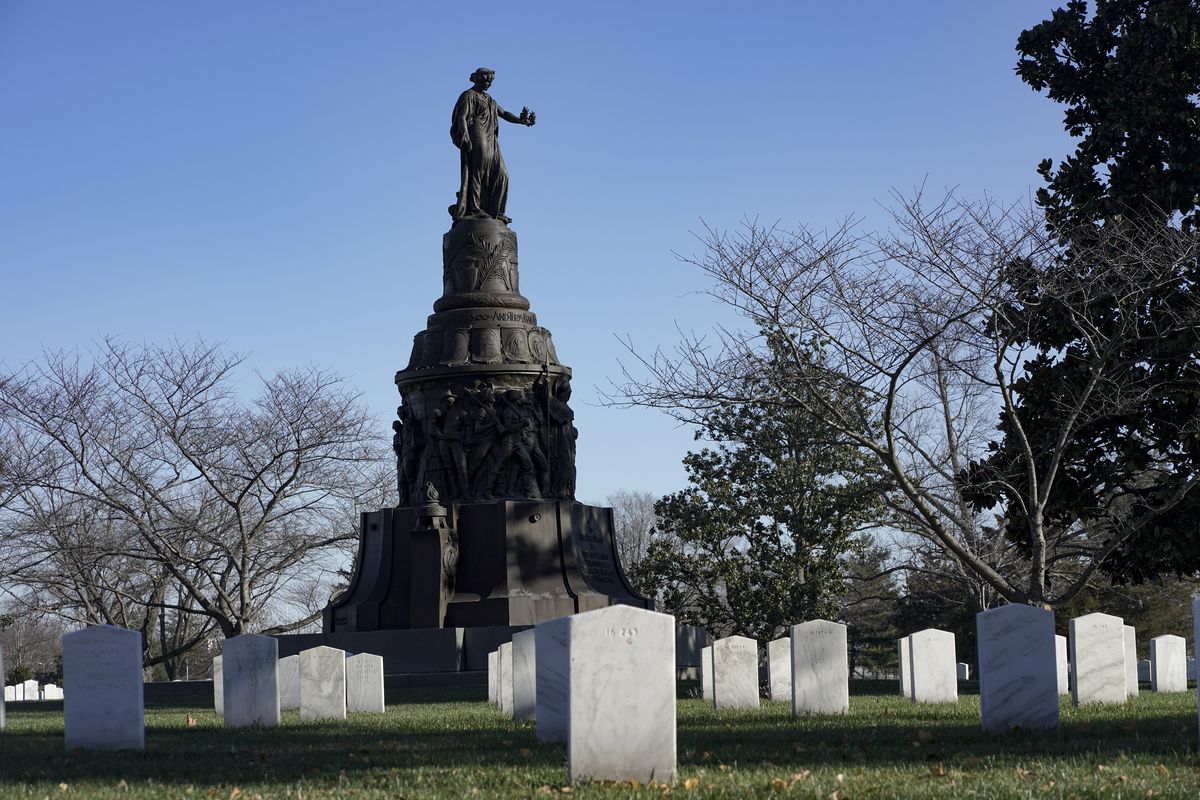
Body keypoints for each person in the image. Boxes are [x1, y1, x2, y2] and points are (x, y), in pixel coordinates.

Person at [450, 68, 535, 223]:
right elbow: (462, 117)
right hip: (477, 133)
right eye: (486, 80)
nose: (489, 84)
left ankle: (497, 211)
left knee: (502, 175)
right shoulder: (468, 95)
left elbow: (503, 114)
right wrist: (466, 136)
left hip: (491, 139)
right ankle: (474, 209)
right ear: (477, 79)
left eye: (490, 81)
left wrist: (521, 121)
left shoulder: (490, 99)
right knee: (478, 171)